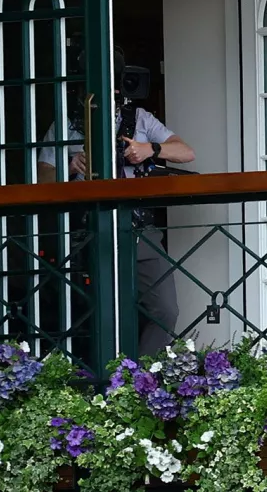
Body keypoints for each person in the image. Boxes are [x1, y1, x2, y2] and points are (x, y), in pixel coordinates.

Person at [37, 47, 196, 357]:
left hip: (140, 229)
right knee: (99, 313)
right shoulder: (66, 123)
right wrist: (70, 166)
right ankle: (104, 382)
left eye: (113, 81)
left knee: (165, 310)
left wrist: (150, 149)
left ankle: (140, 381)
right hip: (87, 231)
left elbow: (186, 152)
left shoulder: (139, 118)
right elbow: (42, 178)